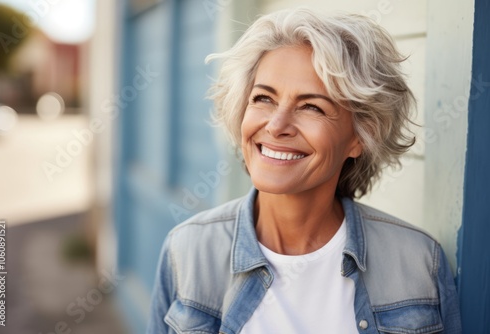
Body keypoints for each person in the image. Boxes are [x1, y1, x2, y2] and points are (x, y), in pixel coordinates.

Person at [147, 8, 461, 334]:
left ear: (359, 136)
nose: (277, 125)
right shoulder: (188, 251)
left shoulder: (418, 262)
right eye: (263, 98)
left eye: (311, 106)